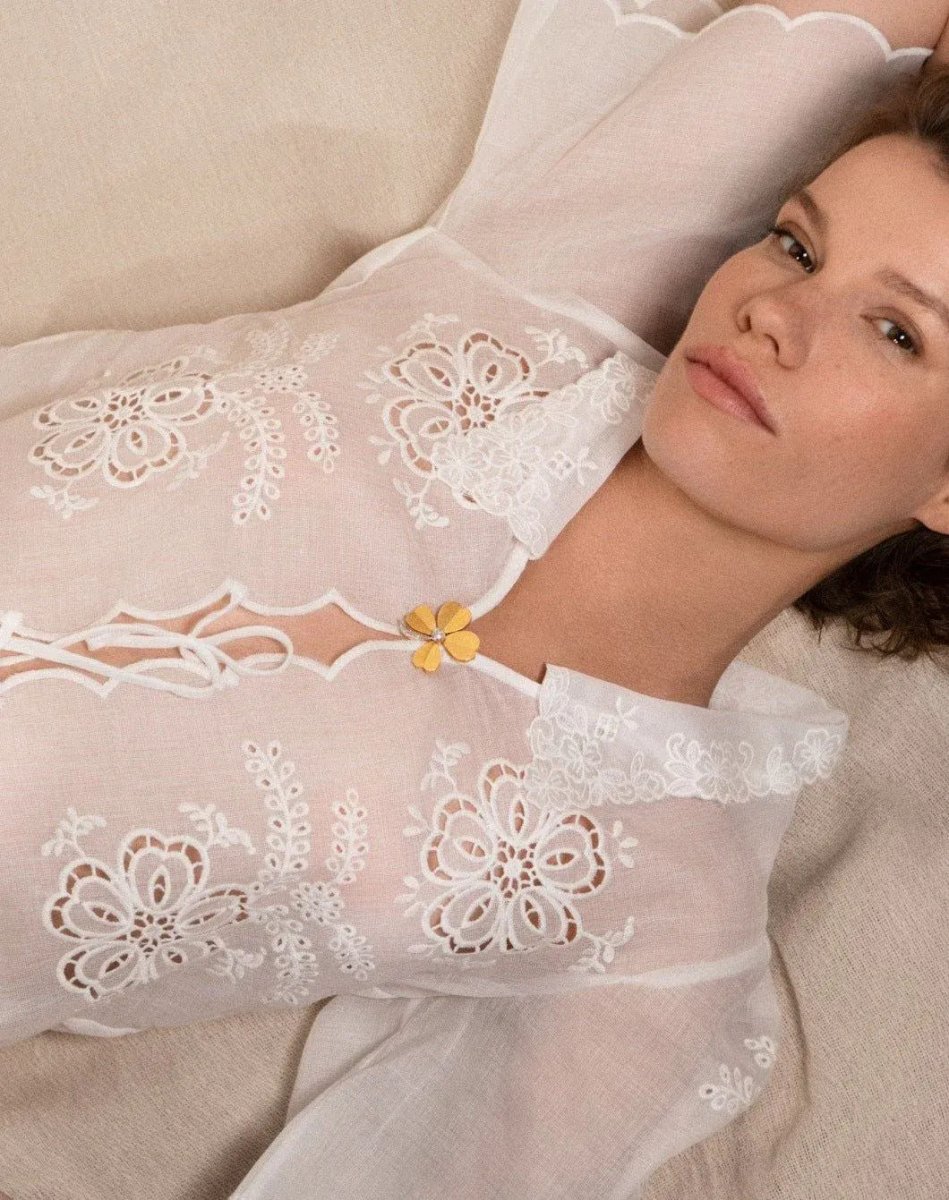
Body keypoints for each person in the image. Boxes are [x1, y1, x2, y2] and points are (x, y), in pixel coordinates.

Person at [0, 4, 945, 1198]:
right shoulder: (550, 290)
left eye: (895, 332)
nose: (774, 313)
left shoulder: (659, 916)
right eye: (796, 246)